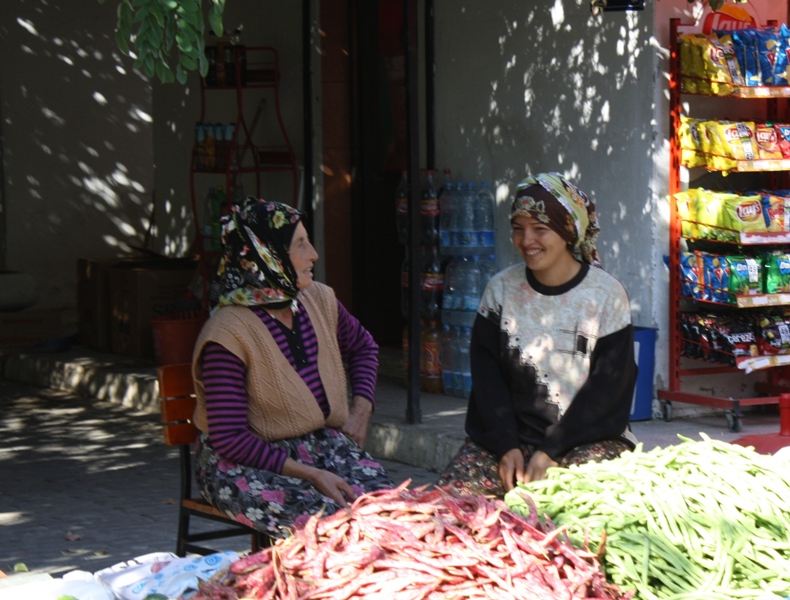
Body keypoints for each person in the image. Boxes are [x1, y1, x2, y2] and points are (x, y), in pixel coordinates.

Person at [191, 198, 394, 538]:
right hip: (247, 461)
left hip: (322, 445)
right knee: (328, 527)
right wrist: (310, 475)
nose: (313, 254)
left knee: (387, 510)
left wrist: (362, 407)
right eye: (300, 244)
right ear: (265, 254)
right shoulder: (228, 333)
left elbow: (363, 346)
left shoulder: (318, 299)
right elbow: (230, 438)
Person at [437, 172, 637, 498]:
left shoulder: (606, 295)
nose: (527, 240)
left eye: (540, 229)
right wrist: (505, 446)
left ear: (568, 231)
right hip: (511, 442)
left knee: (581, 513)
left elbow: (608, 390)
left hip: (585, 442)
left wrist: (553, 450)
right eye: (518, 229)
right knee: (448, 506)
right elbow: (488, 380)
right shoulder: (500, 291)